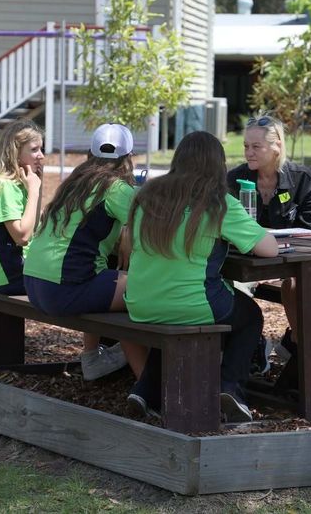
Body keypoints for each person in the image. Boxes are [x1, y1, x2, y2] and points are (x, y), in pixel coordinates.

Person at [124, 131, 279, 421]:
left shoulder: (147, 195)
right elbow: (269, 249)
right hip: (191, 303)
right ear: (218, 164)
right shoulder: (218, 202)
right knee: (250, 317)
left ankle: (145, 391)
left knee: (171, 311)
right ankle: (230, 388)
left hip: (140, 301)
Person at [23, 123, 146, 381]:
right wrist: (129, 230)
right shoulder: (114, 187)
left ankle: (92, 358)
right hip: (63, 289)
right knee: (148, 290)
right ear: (128, 159)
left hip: (34, 284)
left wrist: (125, 231)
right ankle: (148, 386)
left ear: (89, 156)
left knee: (113, 280)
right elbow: (157, 227)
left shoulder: (74, 185)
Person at [226, 113, 311, 385]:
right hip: (245, 263)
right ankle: (251, 349)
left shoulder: (300, 178)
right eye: (246, 146)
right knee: (231, 291)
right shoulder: (235, 178)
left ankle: (299, 347)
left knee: (295, 284)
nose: (248, 152)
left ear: (277, 146)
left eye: (256, 146)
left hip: (290, 260)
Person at [0, 119, 44, 296]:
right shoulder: (2, 186)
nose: (41, 156)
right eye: (34, 149)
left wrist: (34, 188)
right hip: (15, 277)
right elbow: (22, 237)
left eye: (41, 149)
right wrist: (34, 191)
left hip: (29, 270)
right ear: (15, 152)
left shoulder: (21, 183)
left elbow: (34, 228)